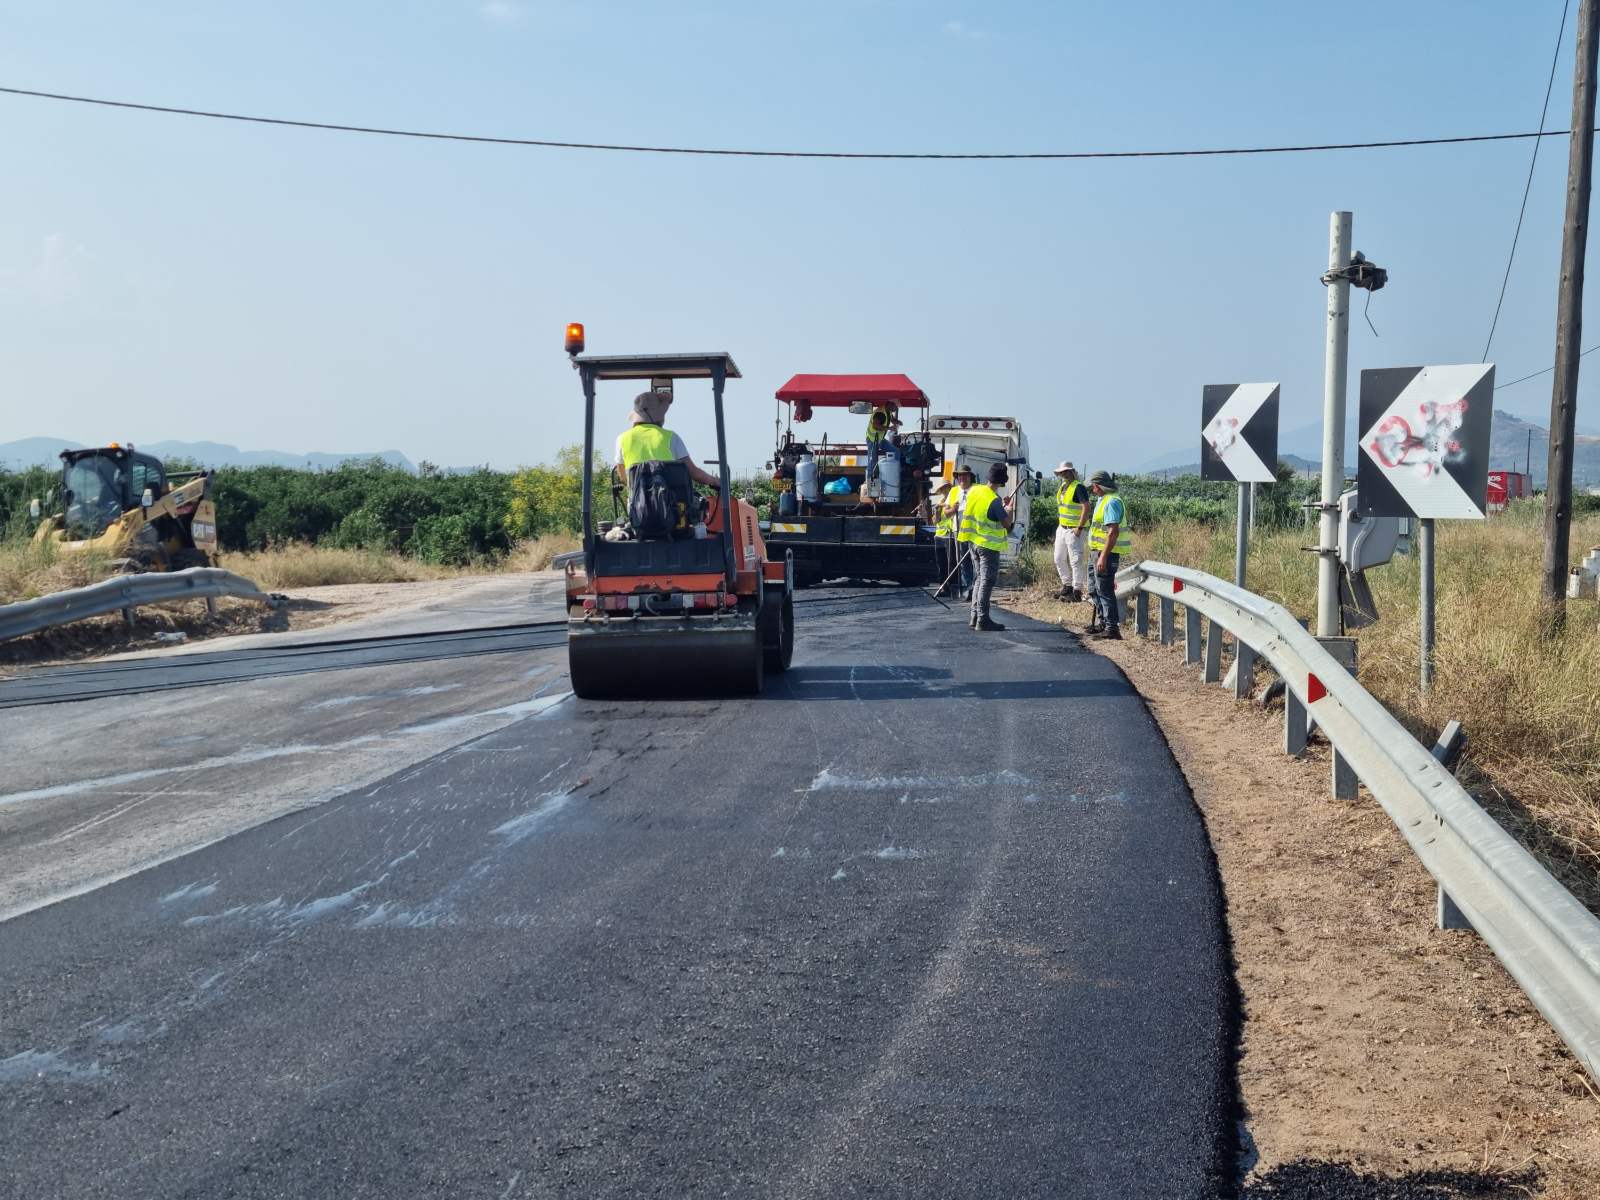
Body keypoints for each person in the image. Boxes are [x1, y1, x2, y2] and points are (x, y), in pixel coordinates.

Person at [613, 390, 719, 488]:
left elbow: (623, 477)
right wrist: (714, 481)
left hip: (637, 506)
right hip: (668, 505)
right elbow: (694, 473)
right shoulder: (671, 438)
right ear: (660, 416)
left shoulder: (622, 439)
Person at [959, 462, 1015, 631]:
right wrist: (1010, 509)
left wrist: (1002, 508)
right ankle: (983, 619)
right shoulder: (994, 501)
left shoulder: (975, 491)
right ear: (1002, 481)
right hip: (988, 546)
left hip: (973, 542)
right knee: (987, 581)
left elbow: (986, 514)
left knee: (978, 579)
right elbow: (1007, 525)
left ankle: (974, 616)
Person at [1086, 469, 1132, 640]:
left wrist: (1103, 556)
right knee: (1094, 589)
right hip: (1096, 551)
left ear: (1099, 486)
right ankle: (1104, 623)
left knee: (1104, 590)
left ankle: (1112, 628)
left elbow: (1113, 532)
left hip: (1105, 553)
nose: (1092, 489)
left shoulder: (1112, 502)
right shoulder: (1103, 499)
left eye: (1093, 486)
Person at [1051, 461, 1091, 602]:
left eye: (1066, 471)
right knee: (1058, 558)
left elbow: (1086, 507)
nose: (1063, 474)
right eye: (1062, 472)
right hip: (1062, 528)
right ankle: (1067, 586)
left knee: (1076, 560)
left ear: (1071, 472)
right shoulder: (1063, 487)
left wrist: (1079, 528)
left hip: (1074, 530)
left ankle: (1077, 591)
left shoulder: (1078, 487)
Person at [948, 464, 976, 600]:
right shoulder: (953, 492)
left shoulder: (975, 491)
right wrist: (953, 509)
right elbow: (946, 513)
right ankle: (967, 588)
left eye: (964, 475)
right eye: (959, 475)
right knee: (962, 562)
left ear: (970, 476)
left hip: (974, 533)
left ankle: (974, 588)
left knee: (973, 560)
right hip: (958, 531)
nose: (962, 478)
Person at [929, 478, 959, 596]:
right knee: (941, 563)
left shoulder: (952, 500)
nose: (944, 490)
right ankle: (943, 586)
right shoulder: (940, 502)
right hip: (939, 536)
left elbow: (950, 506)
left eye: (945, 487)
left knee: (950, 563)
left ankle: (952, 587)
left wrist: (939, 505)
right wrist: (936, 511)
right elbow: (935, 521)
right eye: (942, 488)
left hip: (950, 535)